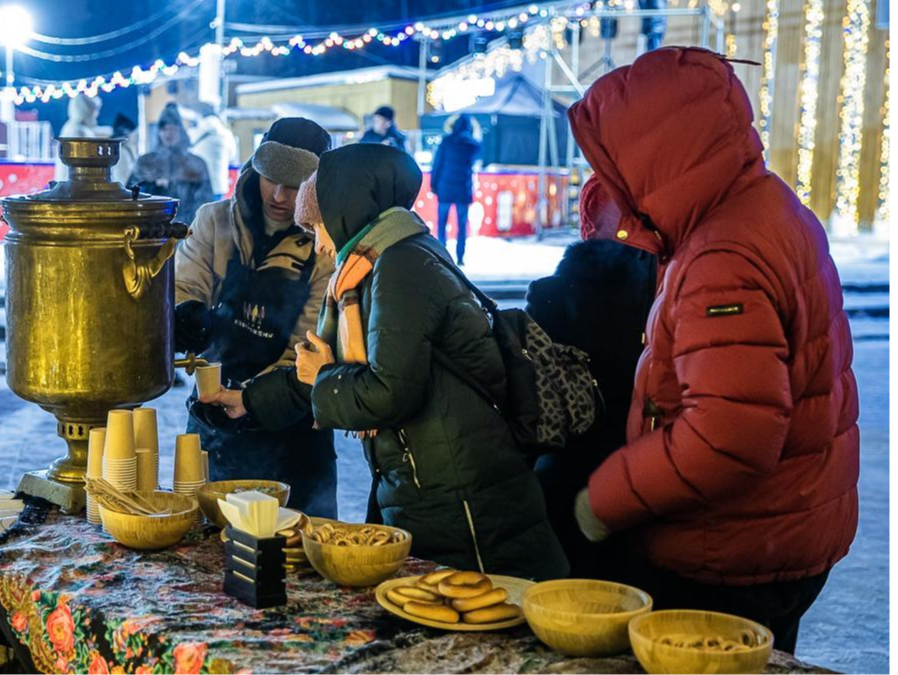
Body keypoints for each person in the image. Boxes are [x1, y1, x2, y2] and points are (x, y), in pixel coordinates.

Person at [568, 47, 859, 654]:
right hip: (786, 522)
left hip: (733, 543)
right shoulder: (759, 202)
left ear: (654, 152)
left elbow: (729, 435)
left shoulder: (720, 254)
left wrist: (605, 498)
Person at [292, 143, 569, 580]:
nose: (320, 245)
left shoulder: (401, 266)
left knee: (487, 622)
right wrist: (245, 400)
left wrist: (325, 377)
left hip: (464, 499)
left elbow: (389, 392)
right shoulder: (382, 262)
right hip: (436, 485)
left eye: (317, 226)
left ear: (345, 209)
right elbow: (329, 367)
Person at [173, 117, 338, 518]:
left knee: (296, 542)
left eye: (295, 186)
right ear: (253, 168)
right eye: (270, 178)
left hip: (293, 421)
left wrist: (254, 399)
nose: (279, 196)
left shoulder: (325, 245)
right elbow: (184, 283)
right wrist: (184, 314)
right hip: (214, 411)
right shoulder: (215, 221)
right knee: (206, 547)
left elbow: (311, 339)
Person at [527, 176, 657, 579]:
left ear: (586, 225)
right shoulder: (664, 292)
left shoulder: (550, 294)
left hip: (565, 474)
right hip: (645, 474)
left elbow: (532, 393)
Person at [128, 103, 214, 224]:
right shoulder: (146, 162)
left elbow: (205, 201)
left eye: (173, 128)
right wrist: (152, 184)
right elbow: (131, 196)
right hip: (151, 228)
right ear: (158, 132)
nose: (169, 133)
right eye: (164, 129)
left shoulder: (196, 164)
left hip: (188, 229)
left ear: (181, 131)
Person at [430, 114, 481, 266]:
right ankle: (460, 256)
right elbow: (478, 159)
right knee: (462, 224)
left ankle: (441, 254)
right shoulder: (473, 144)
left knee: (442, 222)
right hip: (463, 189)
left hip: (445, 188)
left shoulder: (446, 142)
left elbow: (437, 164)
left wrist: (433, 185)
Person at [54, 95, 110, 181]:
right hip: (77, 184)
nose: (96, 115)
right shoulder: (79, 131)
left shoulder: (71, 126)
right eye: (94, 111)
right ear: (87, 111)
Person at [191, 113, 237, 202]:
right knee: (216, 213)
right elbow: (232, 157)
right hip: (219, 185)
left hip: (198, 184)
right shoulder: (227, 135)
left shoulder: (194, 133)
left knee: (198, 213)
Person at [110, 113, 139, 187]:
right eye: (135, 134)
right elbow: (122, 181)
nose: (137, 137)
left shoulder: (126, 151)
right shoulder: (121, 153)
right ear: (126, 133)